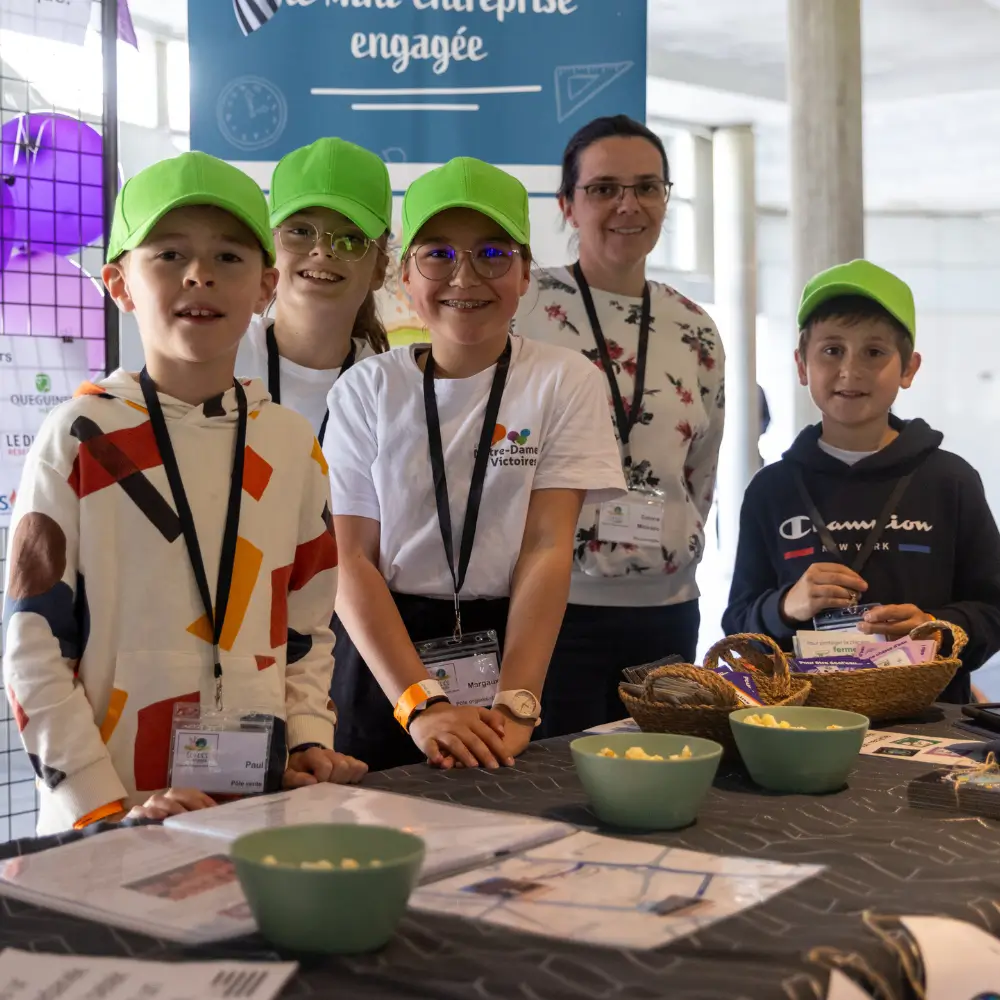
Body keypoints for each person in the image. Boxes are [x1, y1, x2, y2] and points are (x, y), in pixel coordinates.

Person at [3, 152, 365, 835]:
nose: (199, 273)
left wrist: (309, 737)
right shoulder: (81, 435)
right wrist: (104, 805)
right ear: (120, 284)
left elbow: (307, 624)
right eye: (169, 254)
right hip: (108, 819)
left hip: (256, 801)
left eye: (229, 256)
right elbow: (34, 643)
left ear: (265, 285)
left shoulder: (287, 442)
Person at [325, 157, 625, 772]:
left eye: (492, 254)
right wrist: (419, 703)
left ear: (524, 275)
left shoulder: (564, 381)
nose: (465, 276)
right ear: (406, 275)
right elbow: (349, 559)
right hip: (386, 653)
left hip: (516, 644)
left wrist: (517, 702)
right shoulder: (365, 389)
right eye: (438, 254)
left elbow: (547, 545)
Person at [513, 115, 725, 738]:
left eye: (647, 187)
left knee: (654, 776)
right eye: (604, 188)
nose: (627, 205)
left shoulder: (695, 327)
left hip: (667, 610)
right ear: (567, 205)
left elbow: (700, 471)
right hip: (550, 608)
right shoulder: (522, 309)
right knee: (547, 787)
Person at [722, 259, 1000, 702]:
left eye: (874, 352)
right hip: (803, 719)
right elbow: (737, 622)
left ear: (908, 368)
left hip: (927, 724)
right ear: (801, 364)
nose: (850, 370)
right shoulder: (771, 489)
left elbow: (992, 610)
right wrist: (785, 607)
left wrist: (936, 630)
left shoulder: (951, 480)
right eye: (832, 350)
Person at [236, 137, 391, 439]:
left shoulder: (390, 390)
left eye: (351, 239)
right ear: (269, 249)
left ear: (379, 269)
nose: (322, 250)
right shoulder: (220, 359)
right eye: (300, 231)